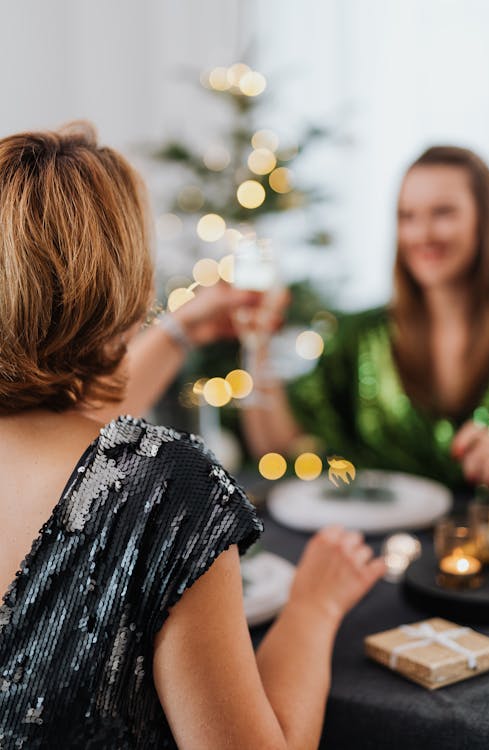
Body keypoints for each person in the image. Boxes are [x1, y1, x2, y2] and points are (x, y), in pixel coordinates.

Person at [0, 122, 384, 748]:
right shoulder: (164, 488)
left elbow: (75, 419)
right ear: (124, 280)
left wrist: (184, 330)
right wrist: (315, 607)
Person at [241, 146, 489, 493]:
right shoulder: (361, 336)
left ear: (485, 219)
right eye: (407, 216)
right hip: (375, 545)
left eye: (443, 213)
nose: (421, 234)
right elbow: (281, 447)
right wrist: (256, 345)